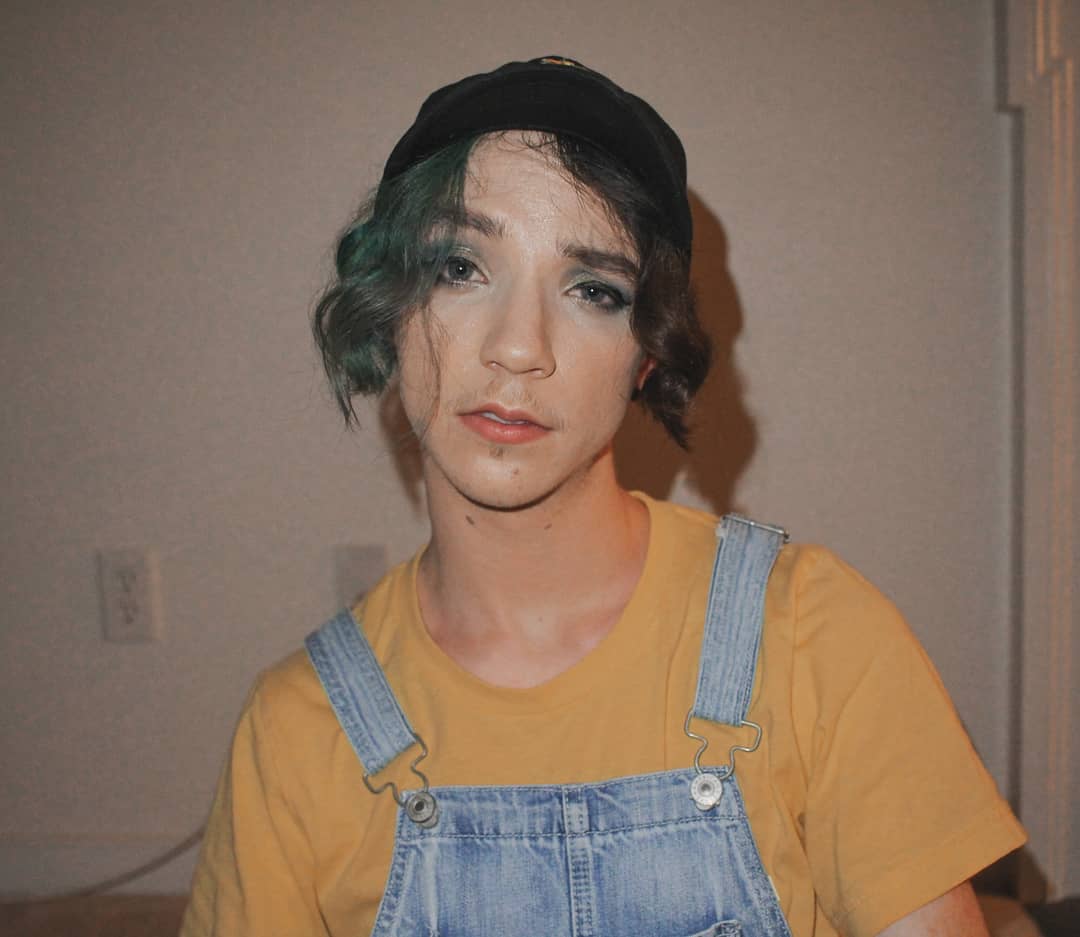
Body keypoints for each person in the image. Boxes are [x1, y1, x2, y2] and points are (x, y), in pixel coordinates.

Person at [180, 57, 1025, 936]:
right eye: (460, 266)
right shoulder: (296, 729)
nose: (519, 347)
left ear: (647, 352)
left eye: (594, 290)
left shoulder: (815, 637)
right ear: (391, 305)